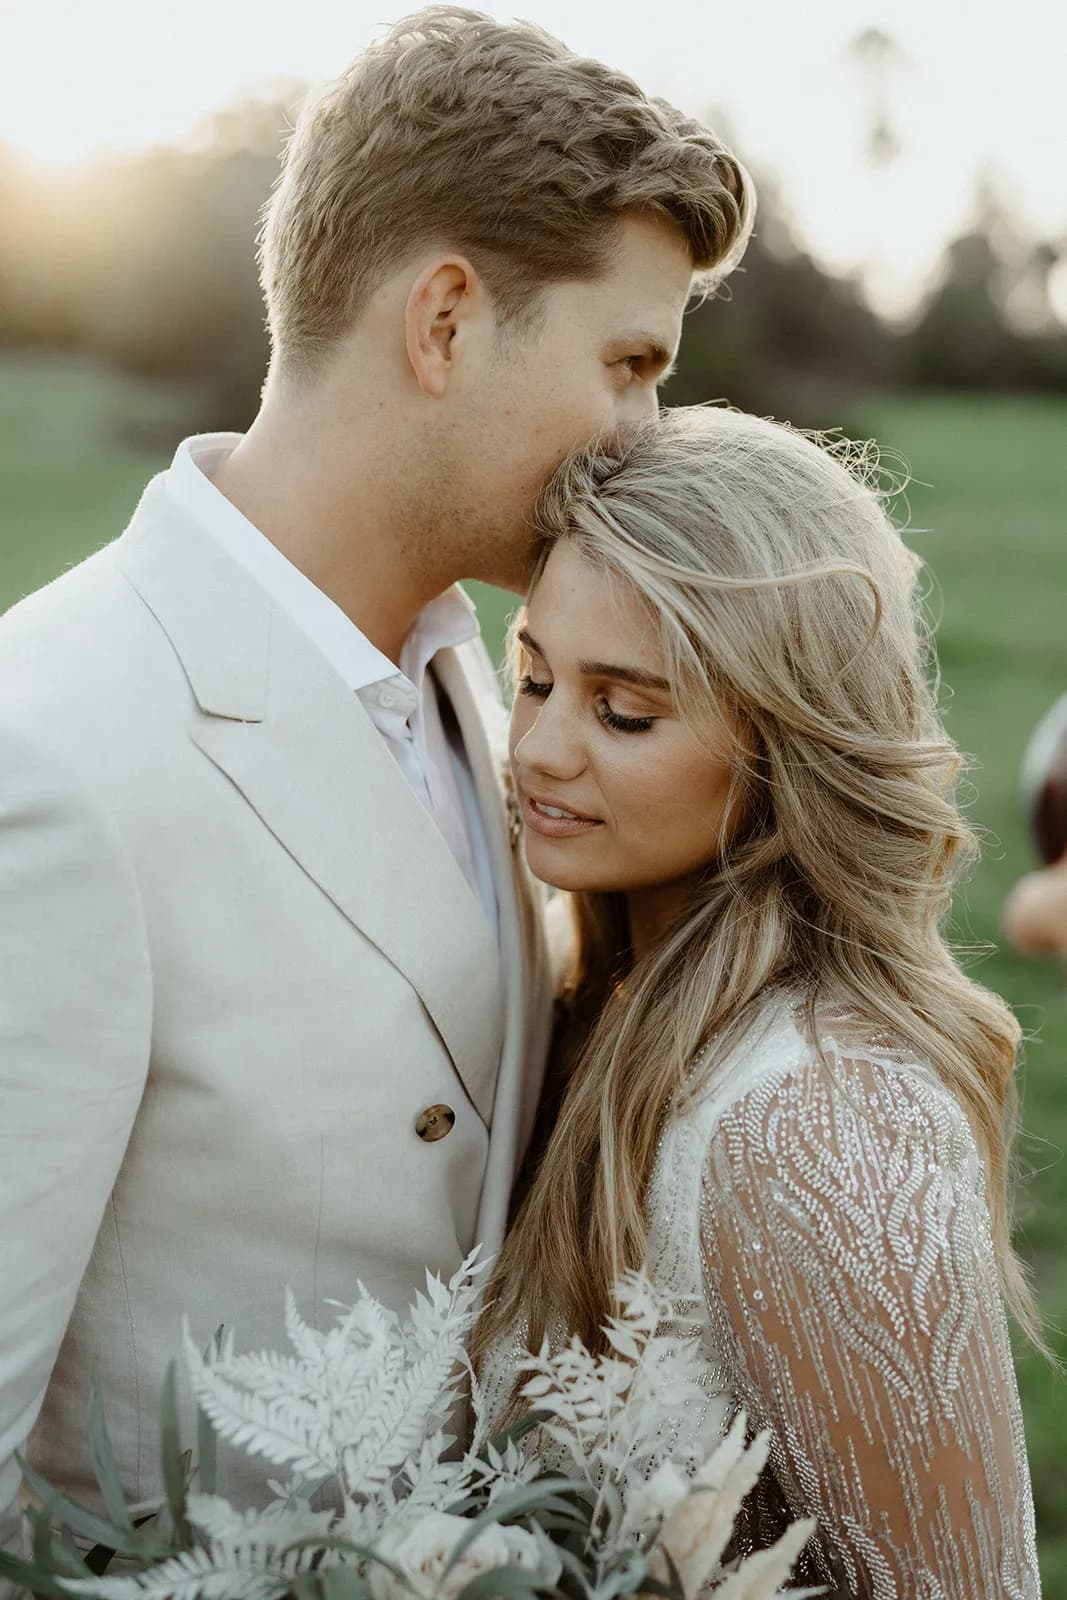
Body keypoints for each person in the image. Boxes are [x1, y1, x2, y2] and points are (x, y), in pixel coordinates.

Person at [0, 7, 753, 1573]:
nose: (642, 437)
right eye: (625, 364)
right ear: (446, 321)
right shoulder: (51, 751)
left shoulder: (484, 686)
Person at [472, 406, 1044, 1597]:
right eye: (532, 677)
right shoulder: (587, 1002)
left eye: (622, 710)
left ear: (784, 743)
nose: (537, 748)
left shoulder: (819, 1127)